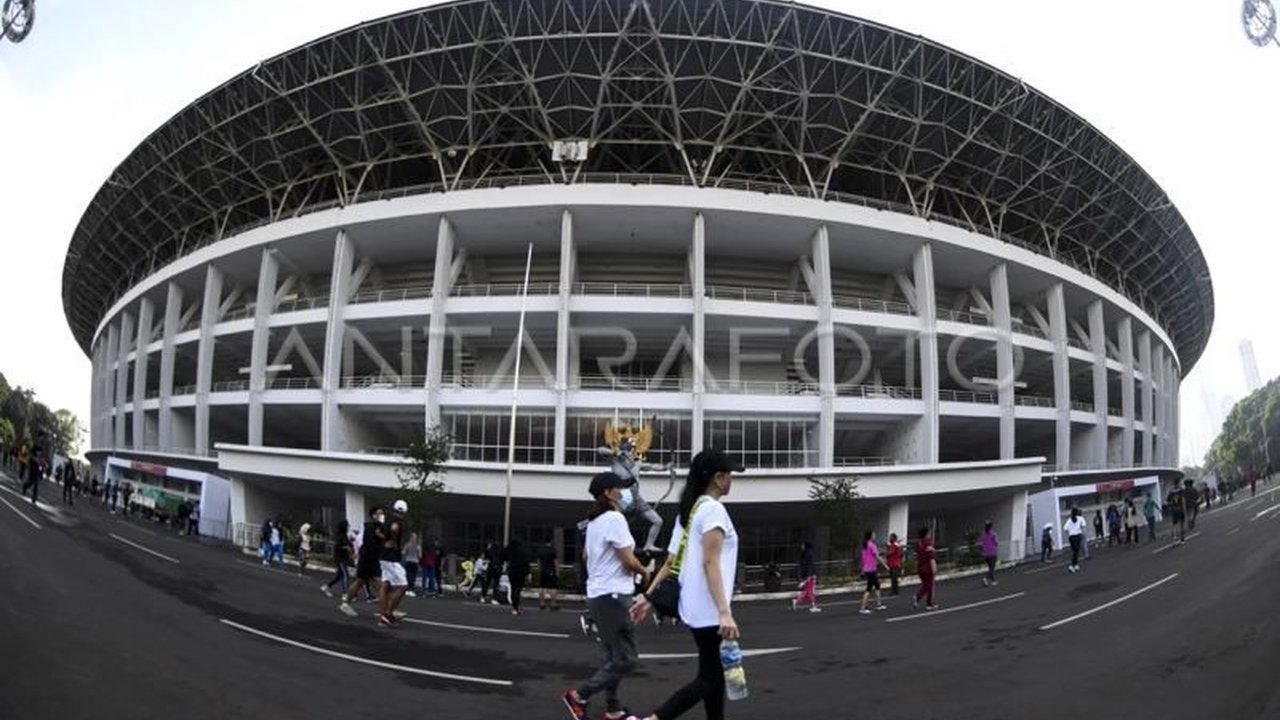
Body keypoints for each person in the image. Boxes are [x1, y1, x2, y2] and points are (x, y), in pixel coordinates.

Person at [630, 448, 742, 720]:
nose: (732, 480)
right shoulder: (714, 510)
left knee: (712, 677)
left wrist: (648, 595)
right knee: (710, 680)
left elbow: (670, 562)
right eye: (729, 475)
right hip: (710, 610)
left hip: (693, 608)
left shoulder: (688, 514)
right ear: (717, 478)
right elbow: (710, 563)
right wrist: (724, 612)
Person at [561, 472, 649, 720]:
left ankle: (613, 709)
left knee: (613, 656)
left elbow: (587, 558)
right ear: (609, 493)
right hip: (613, 595)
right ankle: (578, 695)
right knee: (627, 659)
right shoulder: (614, 518)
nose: (624, 493)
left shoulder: (594, 523)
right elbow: (628, 560)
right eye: (620, 489)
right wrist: (644, 571)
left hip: (599, 595)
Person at [338, 507, 384, 616]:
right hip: (368, 559)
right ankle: (387, 611)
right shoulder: (369, 527)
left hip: (371, 558)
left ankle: (345, 604)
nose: (382, 515)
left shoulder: (380, 527)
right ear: (373, 515)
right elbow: (369, 543)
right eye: (379, 513)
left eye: (382, 513)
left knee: (360, 582)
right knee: (378, 585)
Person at [377, 500, 410, 626]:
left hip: (383, 556)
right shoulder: (397, 521)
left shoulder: (387, 518)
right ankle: (388, 613)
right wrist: (395, 543)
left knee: (385, 586)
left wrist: (386, 540)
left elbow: (383, 531)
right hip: (391, 558)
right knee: (403, 586)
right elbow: (394, 529)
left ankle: (383, 616)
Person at [858, 530, 888, 615]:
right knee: (869, 588)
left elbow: (864, 560)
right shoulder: (872, 545)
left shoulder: (865, 546)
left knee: (877, 585)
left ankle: (879, 603)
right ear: (870, 536)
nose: (875, 535)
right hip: (871, 570)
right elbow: (877, 556)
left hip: (868, 569)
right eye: (874, 534)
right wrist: (885, 565)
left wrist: (863, 570)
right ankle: (863, 608)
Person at [322, 519, 354, 597]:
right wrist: (346, 547)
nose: (348, 527)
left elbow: (349, 544)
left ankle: (327, 587)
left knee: (339, 576)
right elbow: (337, 547)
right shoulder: (339, 535)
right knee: (345, 575)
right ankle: (345, 593)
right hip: (340, 558)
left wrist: (351, 544)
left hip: (344, 558)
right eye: (347, 526)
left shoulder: (344, 535)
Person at [914, 525, 938, 610]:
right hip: (927, 568)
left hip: (920, 567)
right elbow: (931, 557)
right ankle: (929, 603)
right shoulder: (928, 543)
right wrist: (934, 568)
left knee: (925, 585)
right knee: (930, 586)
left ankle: (918, 598)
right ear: (927, 534)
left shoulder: (918, 543)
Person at [504, 538, 530, 615]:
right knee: (518, 589)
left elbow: (502, 555)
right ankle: (517, 606)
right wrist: (528, 573)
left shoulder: (509, 550)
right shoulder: (522, 551)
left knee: (513, 588)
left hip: (512, 570)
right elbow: (526, 562)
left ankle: (514, 607)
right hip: (520, 571)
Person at [792, 541, 820, 612]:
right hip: (810, 575)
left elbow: (804, 566)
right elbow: (810, 566)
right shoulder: (810, 554)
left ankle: (797, 601)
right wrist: (810, 575)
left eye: (803, 545)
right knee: (811, 591)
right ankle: (813, 606)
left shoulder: (804, 554)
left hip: (806, 574)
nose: (802, 546)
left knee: (807, 591)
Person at [1063, 507, 1088, 573]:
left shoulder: (1069, 519)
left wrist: (1070, 531)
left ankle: (1076, 565)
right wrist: (1083, 534)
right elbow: (1083, 527)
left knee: (1075, 551)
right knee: (1076, 552)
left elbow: (1065, 528)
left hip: (1071, 537)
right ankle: (1072, 565)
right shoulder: (1080, 518)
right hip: (1078, 536)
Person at [538, 542, 560, 611]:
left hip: (543, 571)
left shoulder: (541, 550)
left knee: (542, 587)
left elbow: (538, 561)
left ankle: (542, 603)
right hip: (551, 570)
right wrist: (557, 571)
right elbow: (555, 562)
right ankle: (553, 604)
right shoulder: (552, 550)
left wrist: (539, 569)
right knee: (553, 587)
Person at [402, 530, 421, 597]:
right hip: (415, 561)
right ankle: (411, 589)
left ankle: (407, 590)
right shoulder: (418, 546)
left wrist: (405, 558)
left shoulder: (407, 544)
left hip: (408, 561)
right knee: (413, 576)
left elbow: (403, 552)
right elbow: (420, 555)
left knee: (407, 575)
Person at [980, 521, 999, 587]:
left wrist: (983, 552)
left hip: (986, 554)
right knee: (992, 568)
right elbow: (996, 543)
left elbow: (982, 545)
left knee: (990, 567)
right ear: (991, 526)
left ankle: (993, 581)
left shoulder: (983, 535)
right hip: (993, 553)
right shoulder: (993, 534)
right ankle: (985, 578)